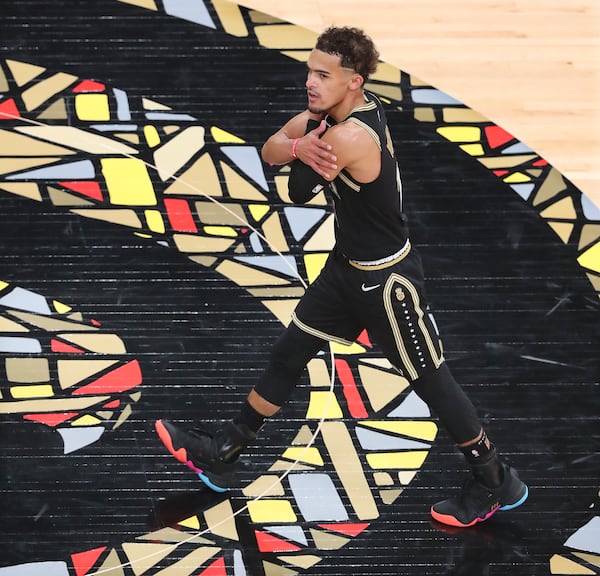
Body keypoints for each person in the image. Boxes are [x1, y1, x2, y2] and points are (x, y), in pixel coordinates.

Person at [155, 25, 528, 528]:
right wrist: (303, 135)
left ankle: (496, 481)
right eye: (310, 70)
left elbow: (298, 188)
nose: (310, 81)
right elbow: (270, 149)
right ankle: (223, 453)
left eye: (323, 75)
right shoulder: (337, 113)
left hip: (386, 283)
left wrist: (301, 142)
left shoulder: (350, 134)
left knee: (433, 383)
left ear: (353, 82)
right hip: (346, 269)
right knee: (289, 351)